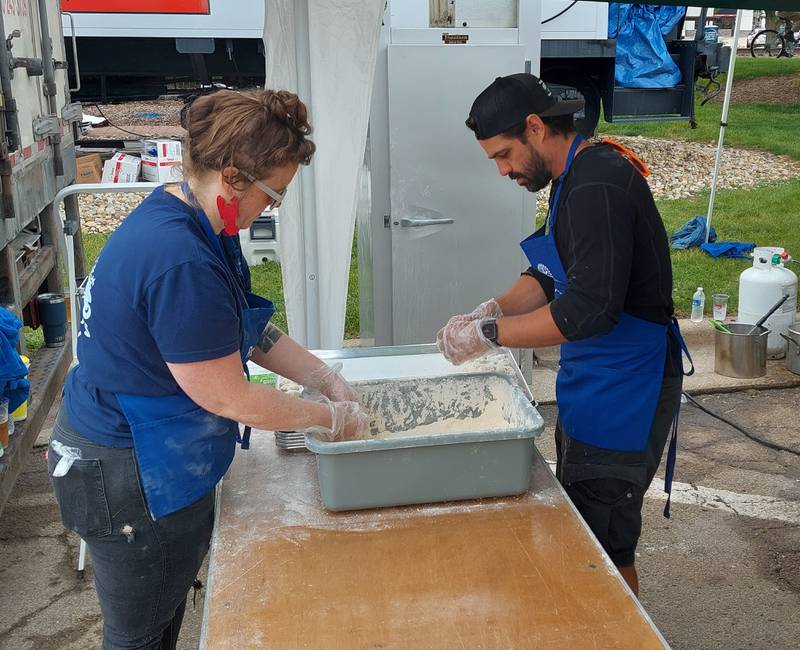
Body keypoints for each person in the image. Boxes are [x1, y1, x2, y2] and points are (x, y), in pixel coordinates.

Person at [48, 88, 370, 649]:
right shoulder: (179, 259)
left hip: (138, 453)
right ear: (233, 177)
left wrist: (324, 375)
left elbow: (244, 330)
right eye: (276, 193)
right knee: (139, 636)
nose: (272, 207)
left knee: (158, 619)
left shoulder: (194, 215)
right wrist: (326, 417)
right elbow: (229, 397)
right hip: (128, 472)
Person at [436, 73, 691, 595]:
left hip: (626, 390)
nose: (504, 170)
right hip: (594, 383)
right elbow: (552, 276)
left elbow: (588, 310)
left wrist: (491, 334)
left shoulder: (597, 185)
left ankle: (617, 629)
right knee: (584, 520)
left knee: (605, 544)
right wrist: (493, 307)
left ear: (535, 127)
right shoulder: (572, 179)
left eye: (504, 155)